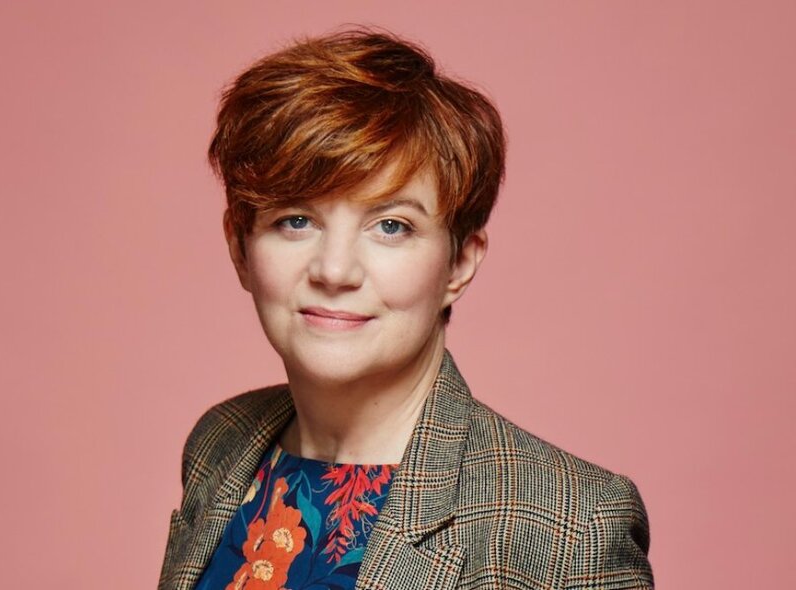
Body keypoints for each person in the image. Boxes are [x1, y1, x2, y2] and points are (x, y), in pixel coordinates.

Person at [159, 29, 653, 590]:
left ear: (460, 261)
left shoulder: (572, 527)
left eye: (391, 226)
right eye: (296, 220)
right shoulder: (220, 445)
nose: (335, 270)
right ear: (239, 246)